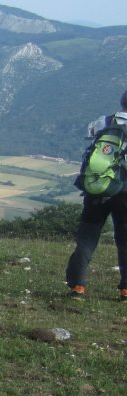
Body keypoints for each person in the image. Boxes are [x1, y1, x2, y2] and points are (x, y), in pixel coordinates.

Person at [65, 91, 127, 301]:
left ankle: (77, 286)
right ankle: (126, 290)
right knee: (125, 240)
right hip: (125, 193)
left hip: (98, 188)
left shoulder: (105, 121)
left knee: (87, 237)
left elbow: (91, 136)